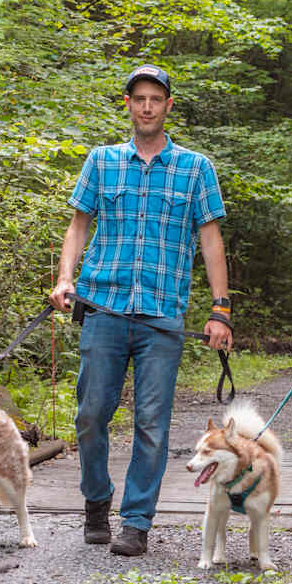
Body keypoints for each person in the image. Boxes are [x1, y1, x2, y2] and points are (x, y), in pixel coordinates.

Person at [49, 64, 233, 556]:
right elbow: (77, 226)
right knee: (91, 415)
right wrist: (65, 278)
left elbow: (211, 241)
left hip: (161, 315)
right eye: (139, 98)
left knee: (152, 423)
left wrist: (221, 309)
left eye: (156, 98)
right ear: (128, 104)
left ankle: (136, 521)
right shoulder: (101, 161)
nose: (147, 106)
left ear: (169, 105)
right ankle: (96, 501)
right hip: (103, 307)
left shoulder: (196, 168)